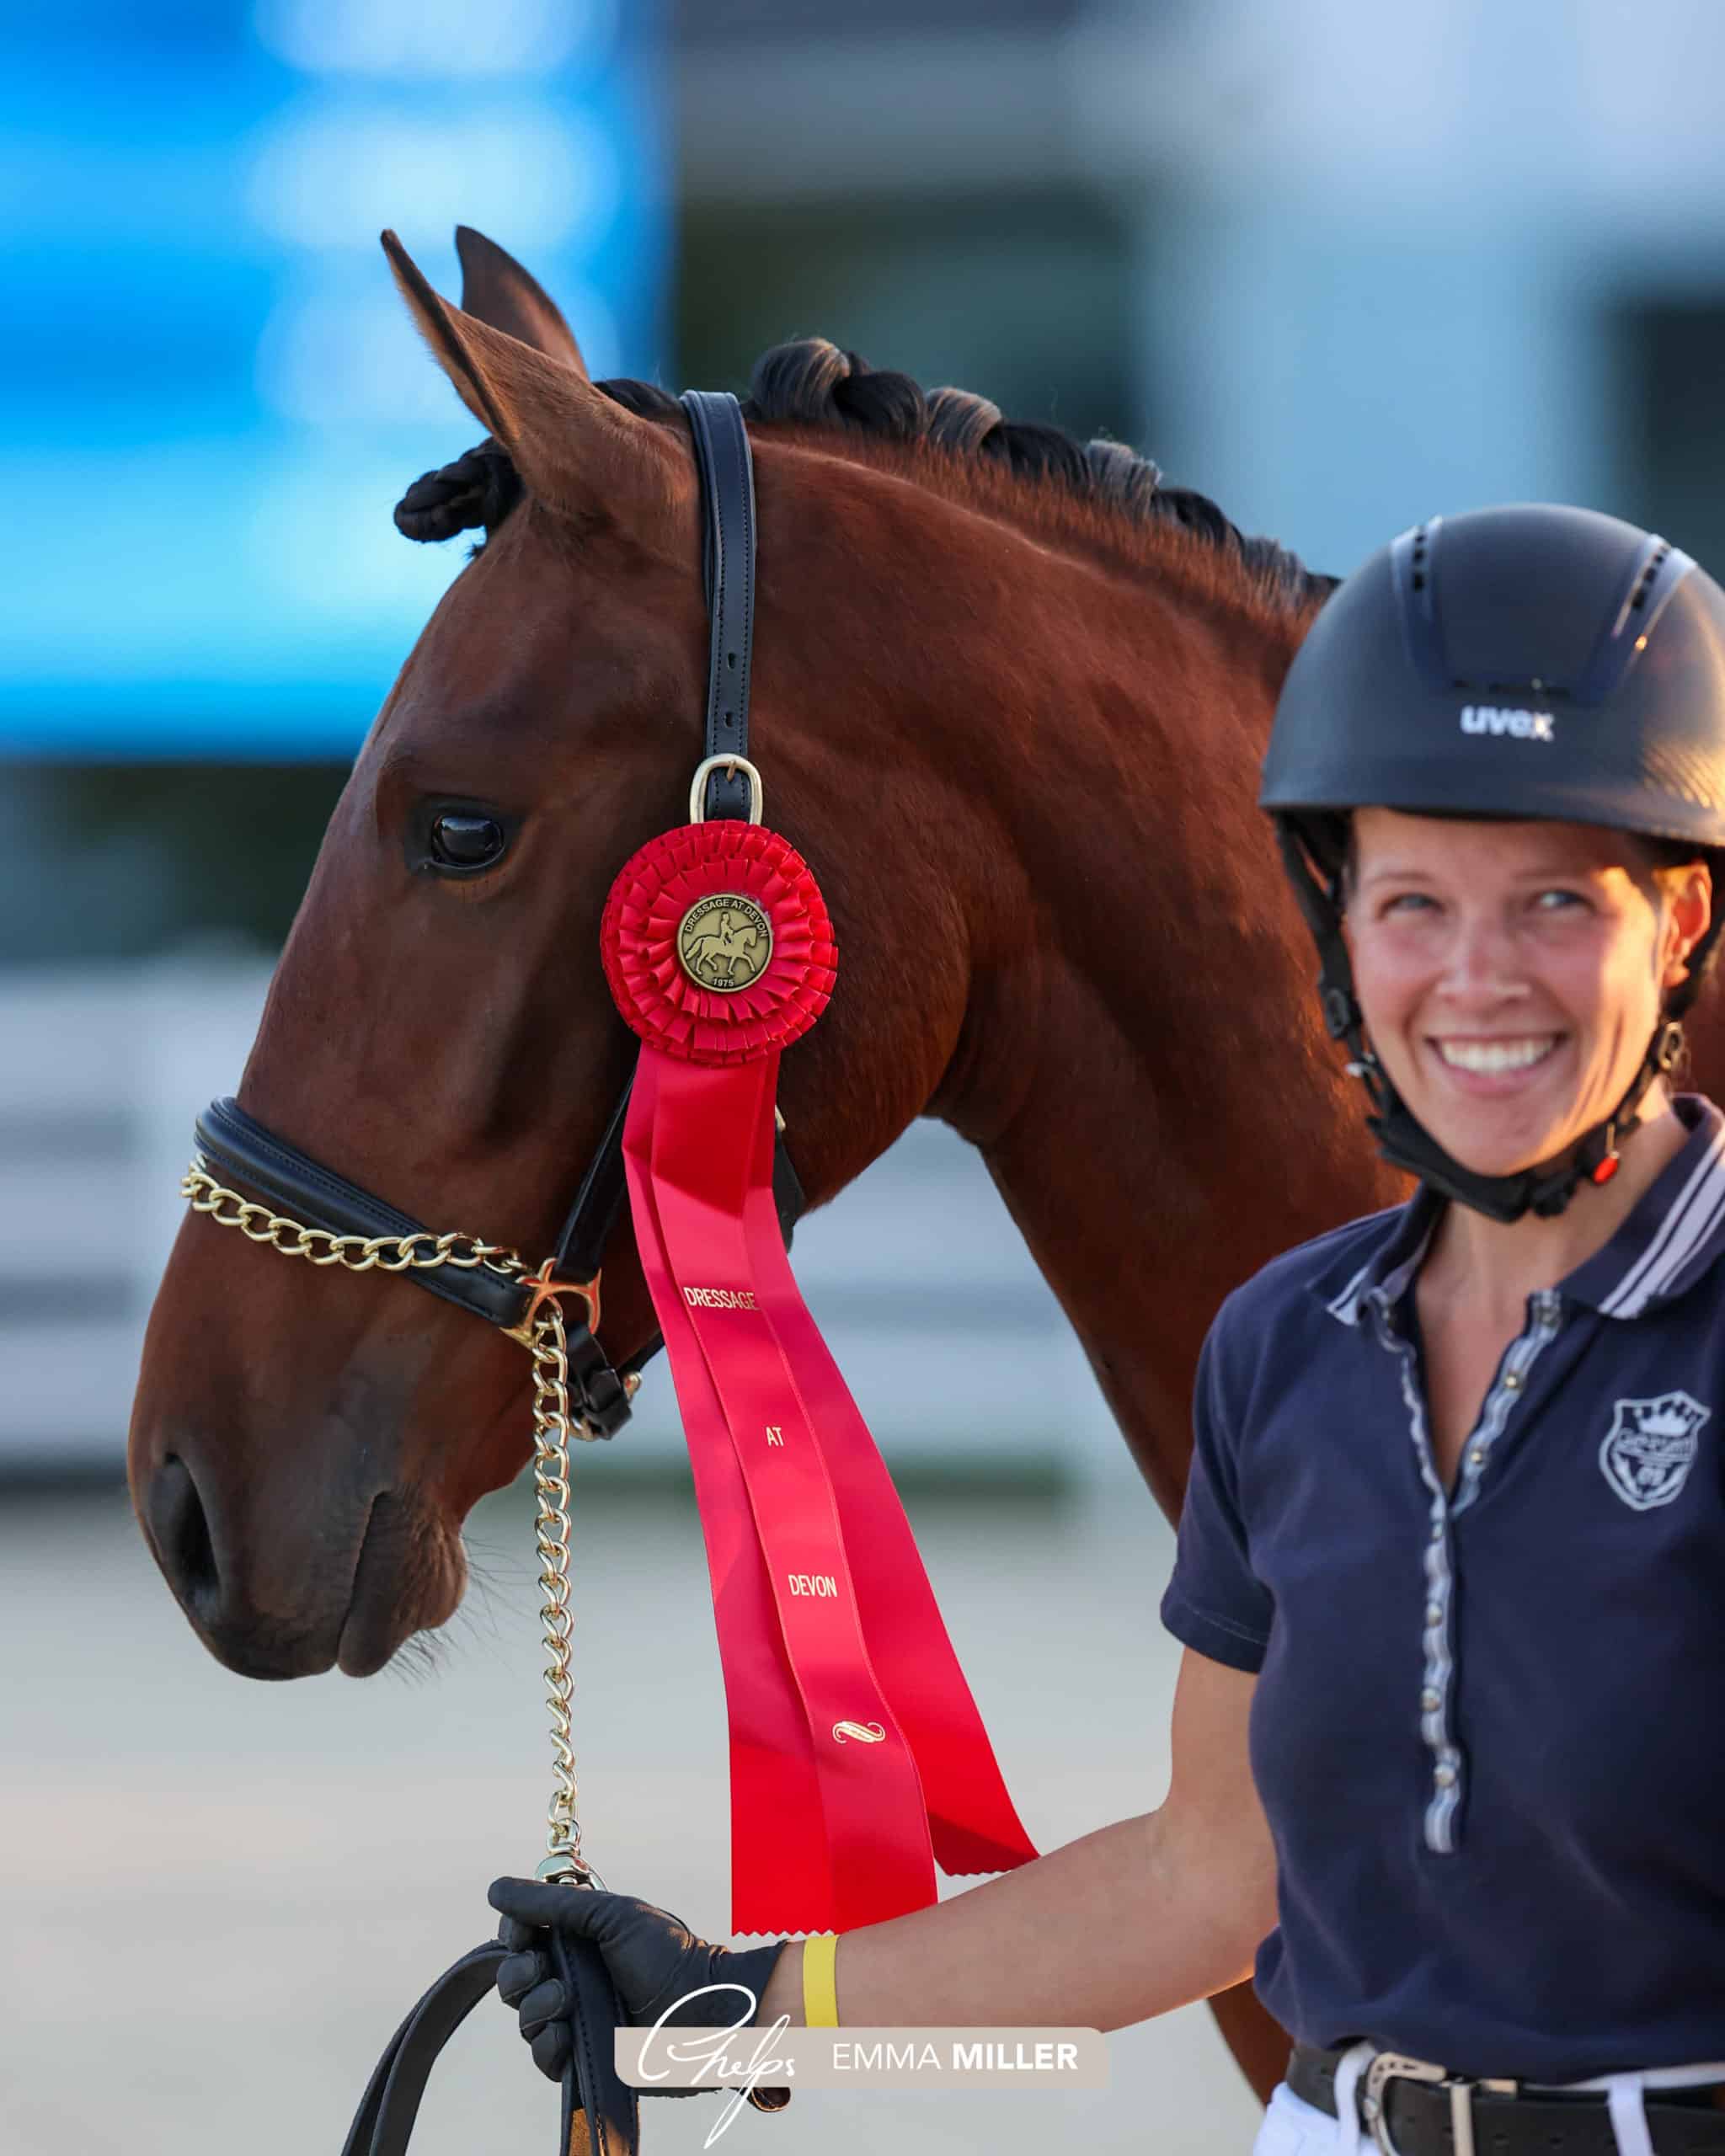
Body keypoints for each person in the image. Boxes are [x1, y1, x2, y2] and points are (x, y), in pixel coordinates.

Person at [489, 504, 1725, 2156]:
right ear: (1339, 928)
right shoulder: (1287, 1344)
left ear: (1680, 926)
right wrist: (735, 2001)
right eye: (1415, 903)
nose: (1477, 976)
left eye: (1556, 903)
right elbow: (1203, 1879)